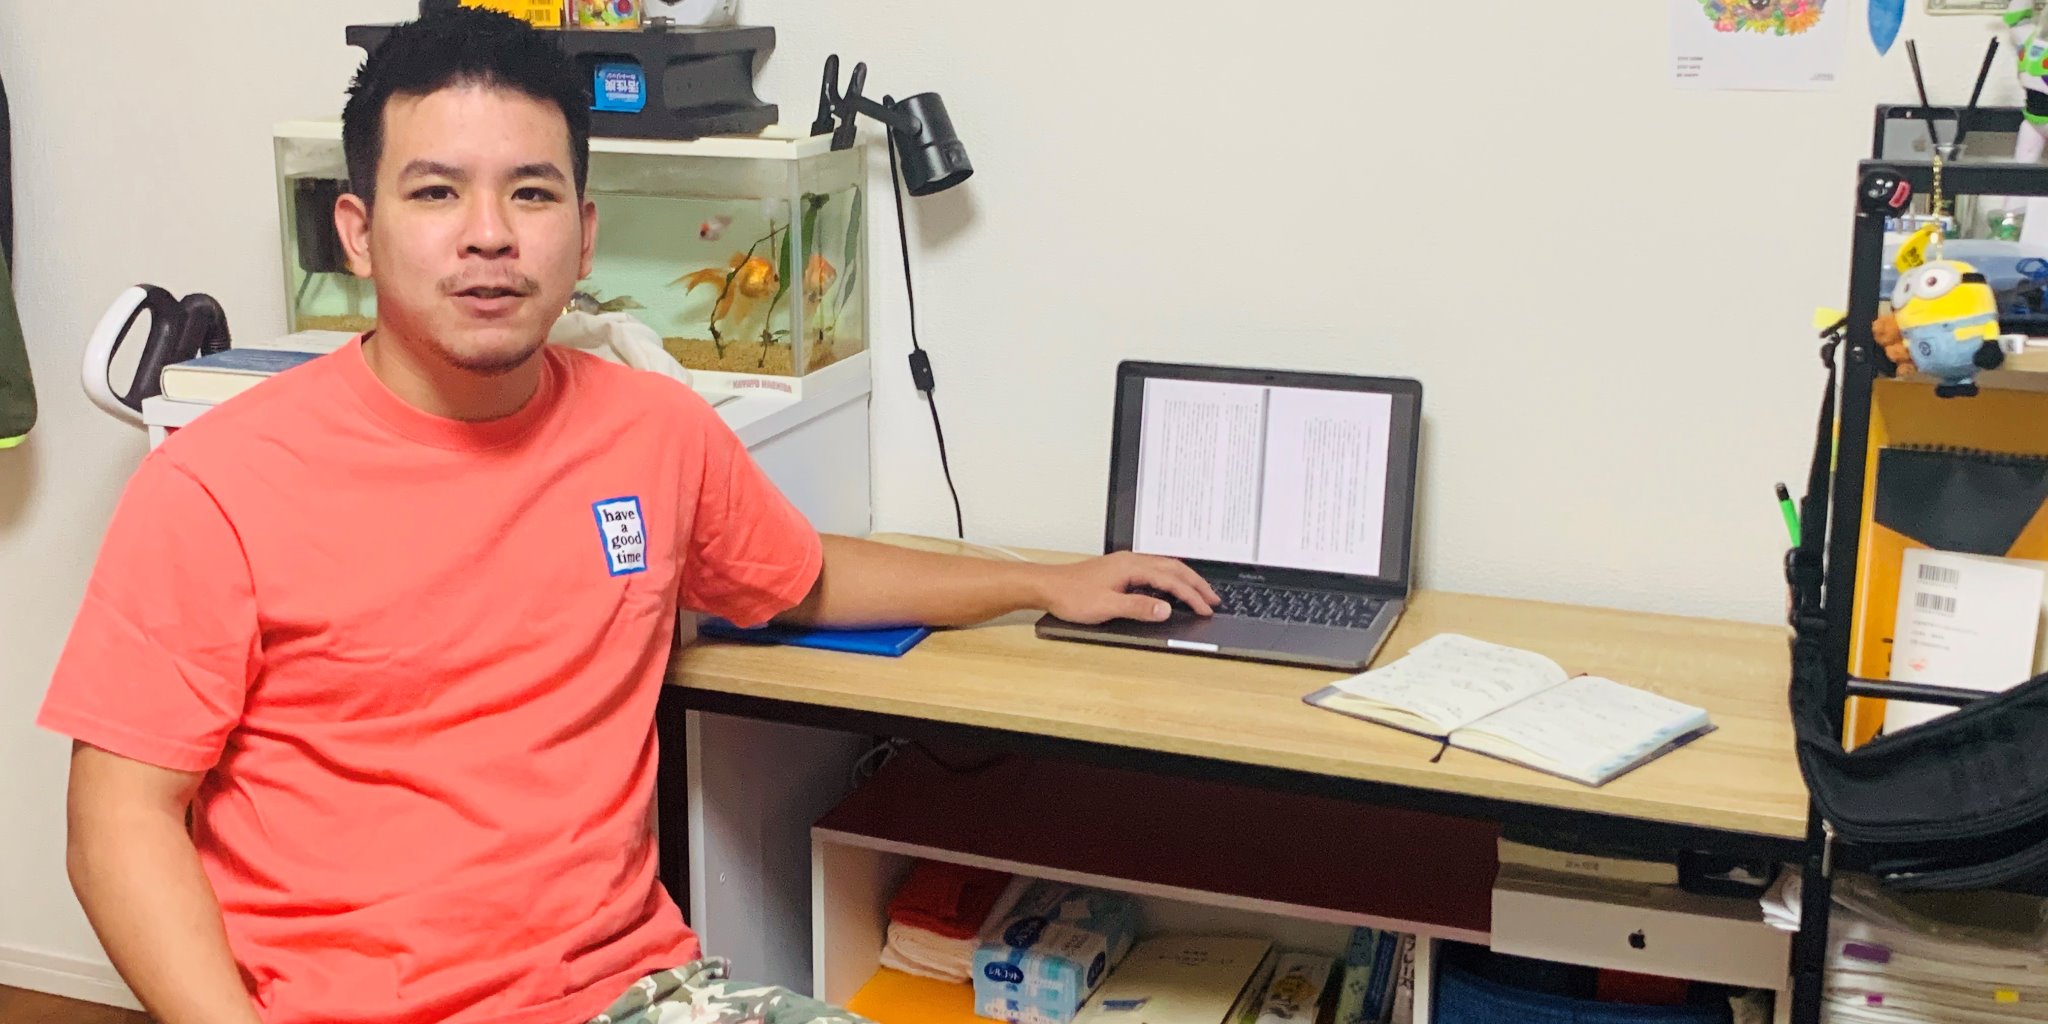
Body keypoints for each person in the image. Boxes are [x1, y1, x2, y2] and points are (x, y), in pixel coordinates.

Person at [35, 9, 1216, 1024]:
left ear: (584, 232)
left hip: (633, 993)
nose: (489, 233)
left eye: (531, 192)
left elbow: (799, 576)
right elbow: (120, 820)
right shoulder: (221, 482)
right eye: (436, 191)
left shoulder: (649, 431)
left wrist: (1038, 581)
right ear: (356, 229)